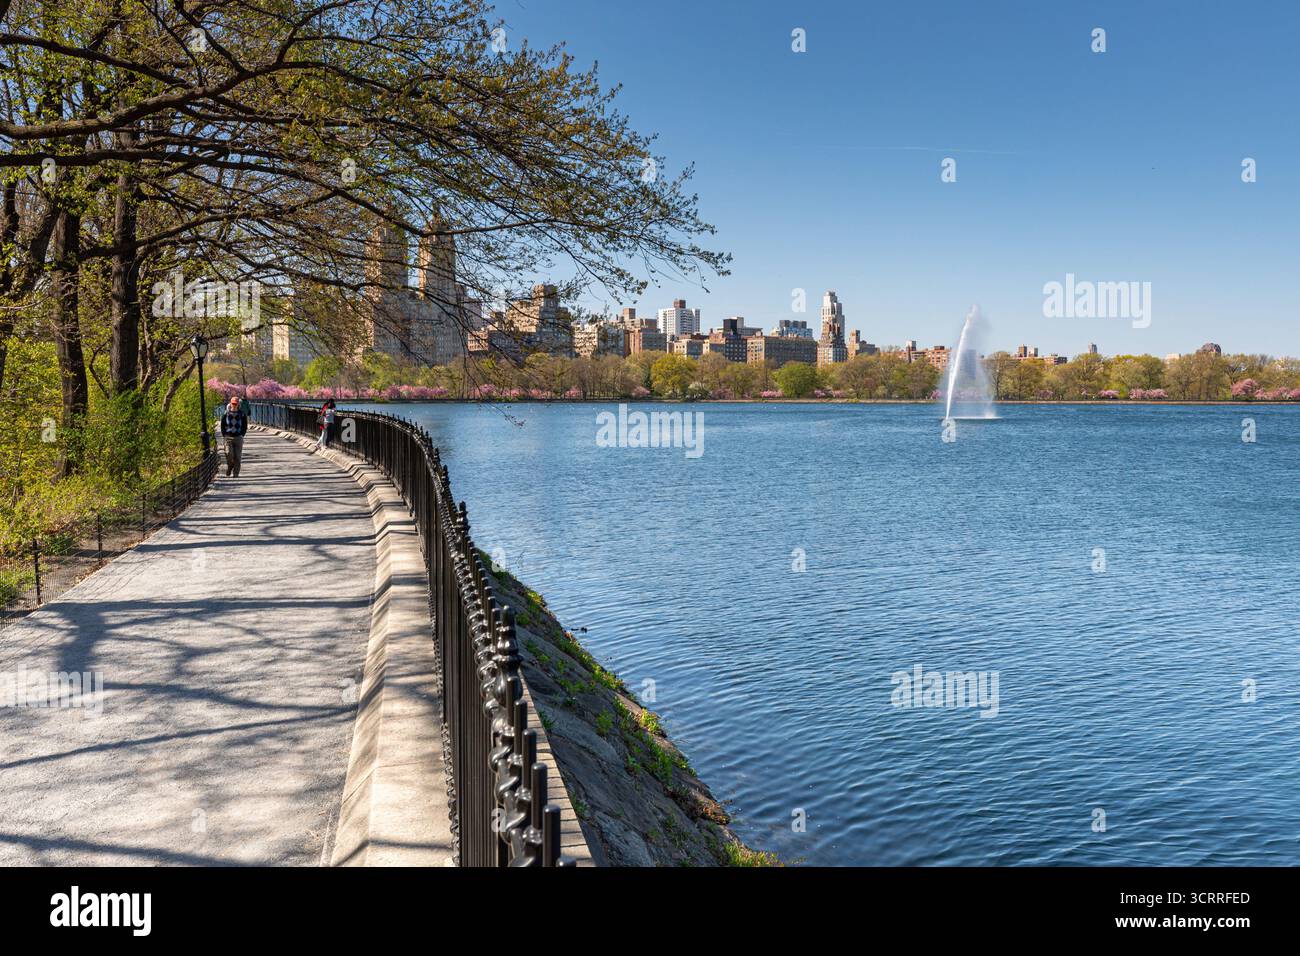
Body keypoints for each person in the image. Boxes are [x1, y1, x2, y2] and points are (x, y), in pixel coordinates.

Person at [220, 395, 249, 476]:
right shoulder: (226, 413)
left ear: (238, 404)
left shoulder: (242, 414)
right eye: (233, 403)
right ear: (230, 403)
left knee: (237, 457)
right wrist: (224, 434)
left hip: (238, 437)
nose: (234, 405)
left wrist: (242, 435)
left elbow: (244, 425)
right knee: (229, 454)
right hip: (228, 436)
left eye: (236, 404)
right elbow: (222, 424)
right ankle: (230, 466)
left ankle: (236, 474)